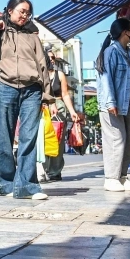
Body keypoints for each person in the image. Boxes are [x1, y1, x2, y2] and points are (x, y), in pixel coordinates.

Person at [0, 0, 50, 201]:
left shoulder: (33, 36)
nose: (25, 15)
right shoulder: (0, 33)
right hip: (6, 87)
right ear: (10, 11)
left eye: (28, 12)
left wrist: (46, 94)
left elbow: (42, 65)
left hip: (32, 90)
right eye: (22, 11)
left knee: (29, 138)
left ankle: (27, 186)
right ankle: (4, 183)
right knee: (4, 137)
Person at [96, 18, 130, 192]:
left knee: (127, 140)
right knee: (116, 140)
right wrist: (110, 102)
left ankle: (122, 177)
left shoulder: (129, 53)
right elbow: (106, 79)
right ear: (125, 32)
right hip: (112, 103)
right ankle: (111, 178)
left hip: (126, 103)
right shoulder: (111, 52)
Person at [42, 46, 80, 182]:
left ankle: (55, 171)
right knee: (44, 139)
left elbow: (65, 94)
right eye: (49, 58)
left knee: (58, 141)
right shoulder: (39, 73)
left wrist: (72, 111)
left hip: (59, 108)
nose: (52, 60)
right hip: (44, 108)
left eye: (53, 58)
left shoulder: (60, 74)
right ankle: (44, 169)